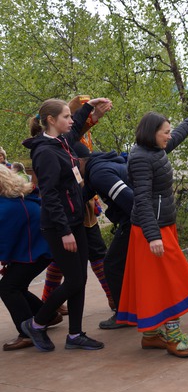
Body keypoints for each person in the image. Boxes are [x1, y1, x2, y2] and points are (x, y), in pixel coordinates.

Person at [21, 97, 112, 352]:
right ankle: (37, 323)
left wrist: (88, 107)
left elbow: (78, 126)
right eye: (65, 117)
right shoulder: (45, 152)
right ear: (51, 121)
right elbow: (48, 195)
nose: (71, 121)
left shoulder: (62, 143)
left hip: (75, 221)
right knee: (73, 280)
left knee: (79, 278)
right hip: (59, 227)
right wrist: (63, 232)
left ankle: (75, 335)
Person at [117, 110, 188, 358]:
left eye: (168, 131)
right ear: (152, 133)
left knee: (157, 281)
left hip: (160, 225)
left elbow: (176, 137)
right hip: (152, 229)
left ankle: (151, 335)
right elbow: (142, 200)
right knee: (172, 281)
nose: (168, 136)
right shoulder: (141, 158)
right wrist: (153, 235)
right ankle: (173, 333)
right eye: (164, 132)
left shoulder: (155, 150)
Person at [41, 96, 116, 316]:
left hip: (82, 207)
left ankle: (110, 298)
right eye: (67, 117)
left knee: (92, 254)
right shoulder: (56, 145)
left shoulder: (70, 141)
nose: (73, 122)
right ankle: (46, 308)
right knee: (78, 259)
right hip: (69, 211)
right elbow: (51, 191)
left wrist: (94, 112)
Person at [0, 165, 61, 351]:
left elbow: (6, 238)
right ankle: (46, 315)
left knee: (8, 287)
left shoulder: (5, 206)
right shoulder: (19, 197)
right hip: (41, 248)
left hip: (36, 251)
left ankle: (27, 333)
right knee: (16, 285)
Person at [76, 145, 134, 329]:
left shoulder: (99, 173)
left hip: (135, 220)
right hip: (137, 219)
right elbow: (81, 197)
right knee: (122, 264)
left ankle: (123, 314)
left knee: (112, 265)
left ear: (79, 161)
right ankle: (132, 308)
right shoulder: (97, 168)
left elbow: (129, 199)